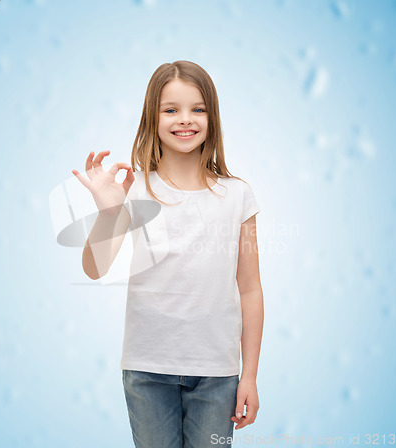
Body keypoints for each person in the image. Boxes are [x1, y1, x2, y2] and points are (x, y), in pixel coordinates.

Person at [72, 60, 264, 448]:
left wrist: (250, 376)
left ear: (212, 117)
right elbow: (95, 268)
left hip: (217, 373)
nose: (185, 119)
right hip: (147, 368)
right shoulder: (134, 188)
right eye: (171, 109)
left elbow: (250, 290)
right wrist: (109, 212)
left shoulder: (237, 194)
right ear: (152, 118)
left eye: (197, 109)